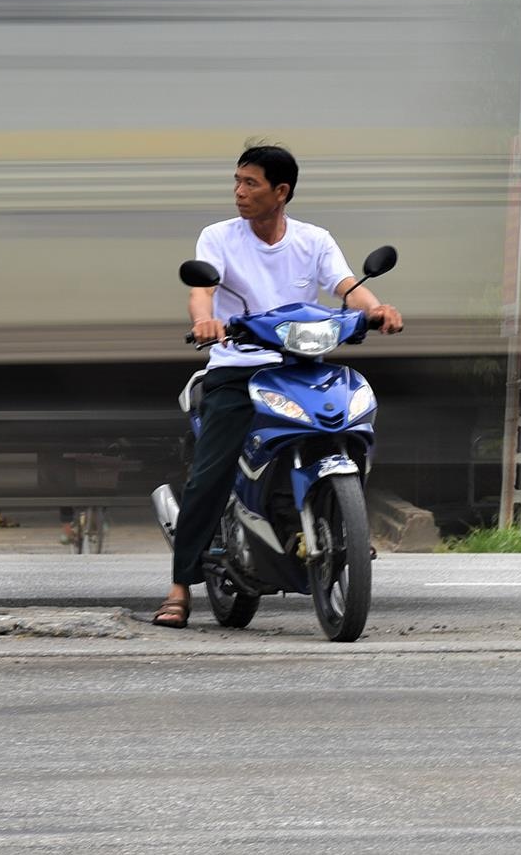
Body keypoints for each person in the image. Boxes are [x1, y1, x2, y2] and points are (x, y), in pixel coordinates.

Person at [154, 144, 400, 628]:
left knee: (349, 422)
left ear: (280, 192)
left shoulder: (313, 240)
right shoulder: (219, 238)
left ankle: (343, 521)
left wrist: (377, 308)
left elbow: (347, 286)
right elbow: (201, 291)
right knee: (211, 471)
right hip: (238, 368)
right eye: (237, 182)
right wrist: (207, 322)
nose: (239, 192)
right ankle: (180, 587)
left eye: (251, 183)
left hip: (302, 365)